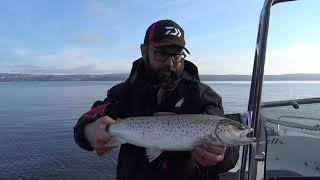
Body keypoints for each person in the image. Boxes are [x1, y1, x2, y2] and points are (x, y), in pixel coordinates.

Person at [74, 19, 239, 180]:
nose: (169, 63)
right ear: (144, 51)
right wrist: (88, 130)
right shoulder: (122, 93)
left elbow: (229, 155)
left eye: (176, 56)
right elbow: (90, 118)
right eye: (161, 54)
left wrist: (221, 155)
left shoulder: (205, 97)